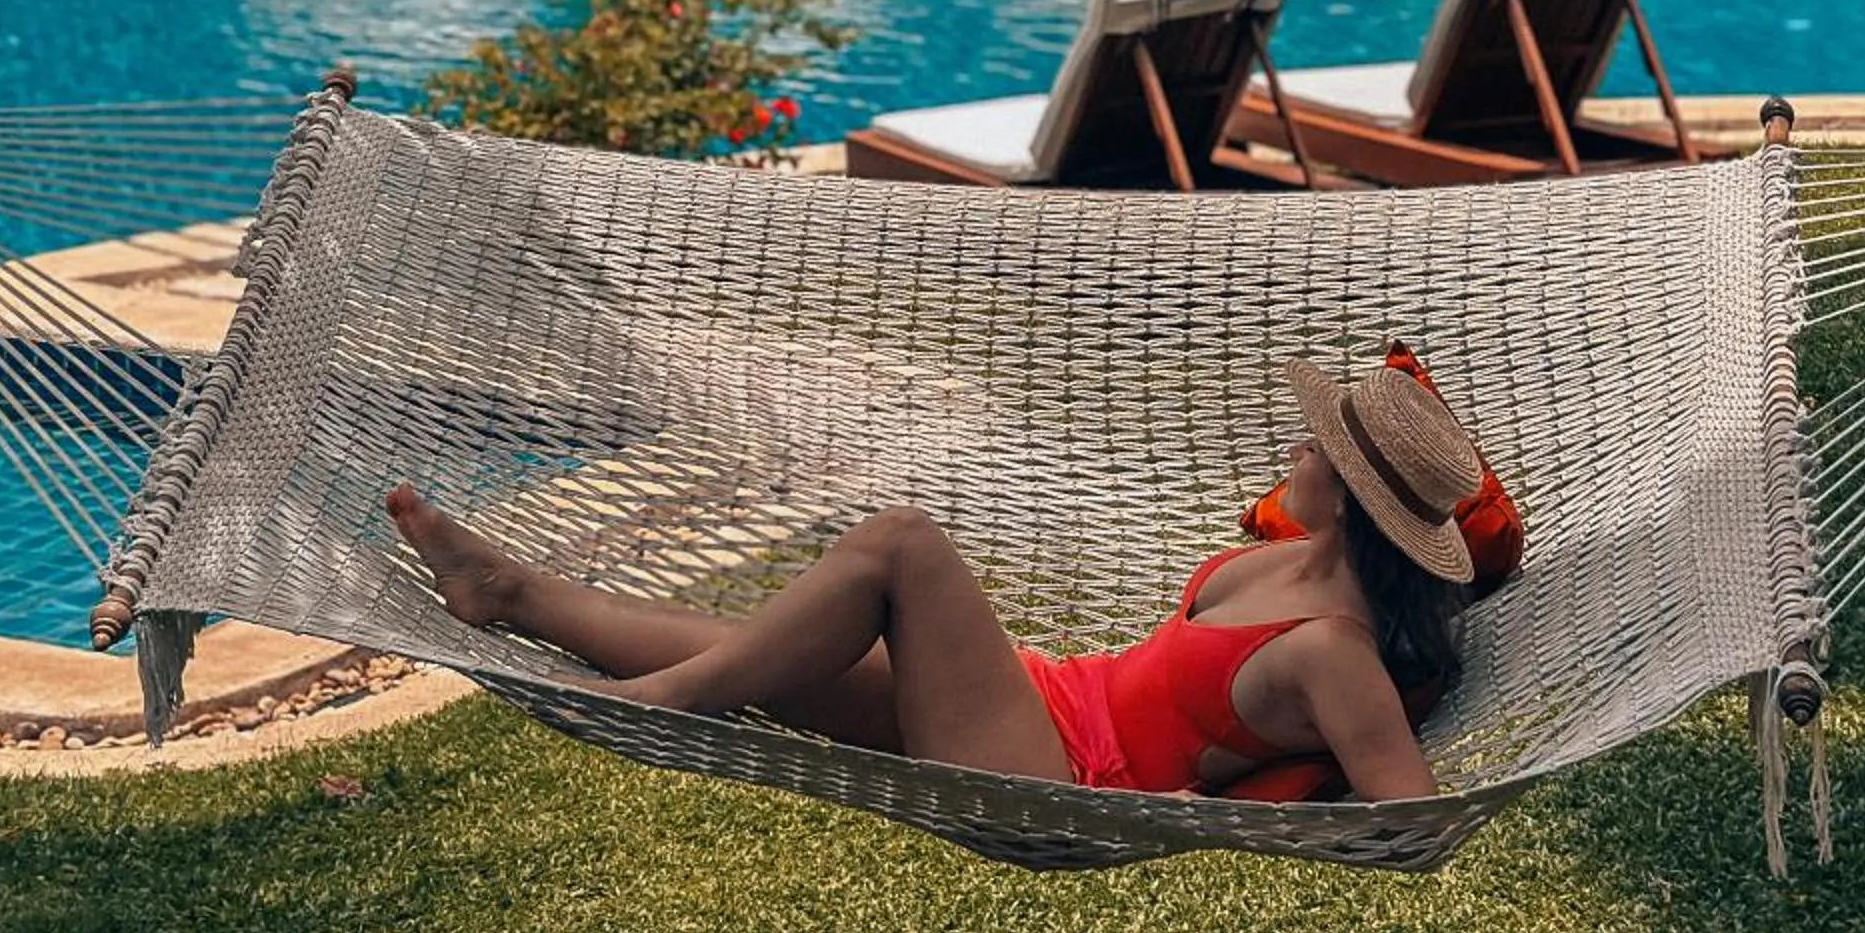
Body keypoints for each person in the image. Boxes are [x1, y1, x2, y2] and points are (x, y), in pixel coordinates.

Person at [386, 357, 1487, 803]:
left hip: (1058, 778)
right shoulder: (1283, 556)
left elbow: (1409, 825)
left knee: (903, 542)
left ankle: (661, 710)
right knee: (756, 645)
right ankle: (512, 593)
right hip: (1046, 702)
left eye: (1311, 449)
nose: (1288, 454)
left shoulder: (1336, 656)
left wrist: (1252, 817)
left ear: (1346, 492)